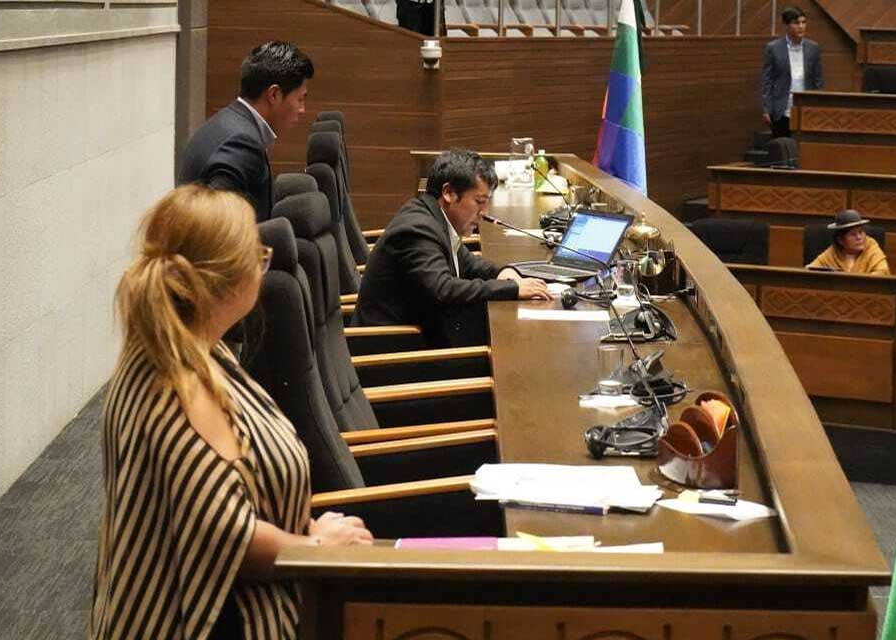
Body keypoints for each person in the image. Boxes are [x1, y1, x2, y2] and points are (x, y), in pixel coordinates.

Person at [90, 185, 373, 640]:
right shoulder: (181, 389)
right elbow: (226, 537)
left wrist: (302, 526)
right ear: (230, 279)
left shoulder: (184, 347)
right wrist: (315, 546)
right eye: (258, 257)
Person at [353, 150, 552, 347]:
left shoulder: (433, 217)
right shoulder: (418, 230)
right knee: (515, 348)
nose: (484, 213)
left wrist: (501, 272)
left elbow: (467, 262)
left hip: (421, 335)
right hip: (393, 353)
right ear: (448, 193)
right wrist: (511, 289)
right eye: (479, 202)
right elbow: (443, 289)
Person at [178, 41, 314, 222]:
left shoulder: (228, 122)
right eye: (300, 99)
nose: (302, 109)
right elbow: (219, 231)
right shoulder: (242, 144)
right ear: (274, 94)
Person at [760, 6, 825, 139]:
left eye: (803, 22)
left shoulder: (813, 48)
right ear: (786, 25)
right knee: (783, 149)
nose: (801, 26)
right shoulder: (773, 48)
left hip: (806, 109)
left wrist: (819, 106)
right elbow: (767, 81)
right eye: (796, 23)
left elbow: (818, 80)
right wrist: (766, 109)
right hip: (781, 108)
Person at [806, 209, 890, 275]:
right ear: (841, 240)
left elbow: (883, 272)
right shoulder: (833, 253)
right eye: (853, 234)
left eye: (861, 232)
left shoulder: (871, 246)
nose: (859, 237)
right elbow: (809, 270)